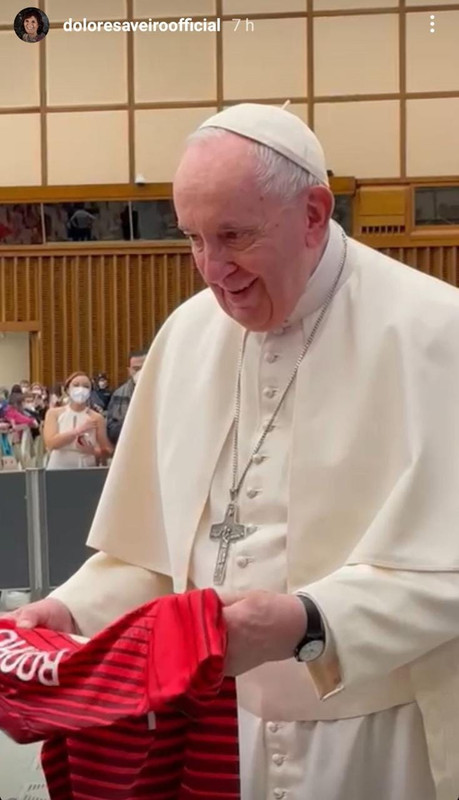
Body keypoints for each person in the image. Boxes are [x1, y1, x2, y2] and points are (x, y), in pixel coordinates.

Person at [4, 104, 459, 800]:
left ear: (312, 213)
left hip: (376, 732)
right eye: (192, 239)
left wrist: (309, 622)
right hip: (213, 732)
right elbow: (152, 553)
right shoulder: (187, 336)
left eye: (235, 236)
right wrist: (72, 609)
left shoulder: (435, 334)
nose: (213, 272)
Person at [44, 371, 112, 470]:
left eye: (86, 386)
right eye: (76, 385)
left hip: (86, 467)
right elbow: (51, 443)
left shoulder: (97, 418)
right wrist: (77, 431)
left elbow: (107, 451)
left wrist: (92, 451)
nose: (81, 389)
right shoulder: (53, 413)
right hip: (58, 467)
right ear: (67, 389)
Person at [106, 351, 147, 445]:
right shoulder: (119, 394)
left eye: (144, 367)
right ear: (129, 371)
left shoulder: (162, 391)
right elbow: (112, 430)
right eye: (136, 369)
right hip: (128, 446)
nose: (141, 372)